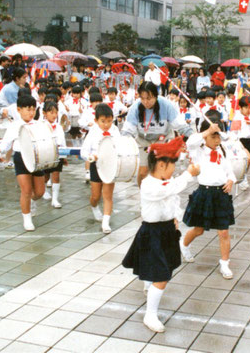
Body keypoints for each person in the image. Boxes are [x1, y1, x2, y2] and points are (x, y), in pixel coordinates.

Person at [122, 137, 200, 333]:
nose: (174, 170)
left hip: (166, 230)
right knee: (162, 275)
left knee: (162, 268)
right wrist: (188, 175)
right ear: (162, 165)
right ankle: (150, 314)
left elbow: (172, 200)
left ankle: (149, 286)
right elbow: (169, 190)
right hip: (152, 232)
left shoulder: (167, 180)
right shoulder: (149, 184)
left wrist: (176, 217)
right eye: (173, 165)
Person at [179, 116, 236, 279]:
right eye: (214, 136)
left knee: (224, 232)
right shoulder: (198, 149)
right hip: (204, 193)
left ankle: (225, 264)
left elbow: (229, 171)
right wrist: (206, 132)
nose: (217, 139)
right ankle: (183, 245)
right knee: (199, 229)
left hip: (221, 194)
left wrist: (231, 180)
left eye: (218, 136)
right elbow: (190, 142)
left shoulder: (222, 150)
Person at [122, 82, 193, 186]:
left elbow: (180, 125)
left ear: (156, 96)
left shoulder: (166, 104)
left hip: (163, 141)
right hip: (144, 142)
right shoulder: (135, 107)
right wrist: (121, 143)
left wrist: (194, 136)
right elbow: (127, 130)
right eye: (142, 98)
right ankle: (144, 195)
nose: (146, 102)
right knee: (143, 172)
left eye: (149, 98)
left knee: (163, 171)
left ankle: (162, 193)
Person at [0, 95, 45, 231]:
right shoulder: (14, 126)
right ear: (19, 110)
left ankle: (32, 201)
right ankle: (27, 218)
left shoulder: (39, 124)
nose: (31, 112)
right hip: (21, 158)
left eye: (33, 109)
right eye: (28, 109)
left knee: (39, 192)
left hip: (37, 159)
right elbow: (6, 142)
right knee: (26, 190)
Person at [81, 103, 120, 234]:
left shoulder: (115, 130)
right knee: (96, 195)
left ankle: (106, 222)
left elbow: (119, 147)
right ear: (96, 120)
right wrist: (91, 156)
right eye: (103, 121)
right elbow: (84, 151)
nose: (106, 124)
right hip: (96, 165)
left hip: (110, 166)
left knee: (108, 195)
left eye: (109, 121)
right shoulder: (93, 132)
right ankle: (94, 206)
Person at [230, 96, 250, 191]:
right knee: (248, 159)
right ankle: (242, 178)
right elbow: (233, 132)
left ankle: (243, 175)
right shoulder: (238, 117)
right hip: (240, 141)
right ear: (241, 108)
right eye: (246, 107)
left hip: (249, 141)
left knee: (248, 161)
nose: (248, 110)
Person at [40, 101, 66, 209]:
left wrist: (64, 156)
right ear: (44, 113)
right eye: (51, 112)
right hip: (46, 154)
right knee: (45, 175)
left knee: (56, 175)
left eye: (56, 112)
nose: (54, 115)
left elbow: (63, 141)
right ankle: (44, 190)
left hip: (57, 154)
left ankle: (55, 199)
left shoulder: (59, 127)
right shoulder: (41, 126)